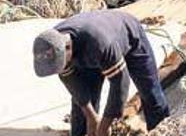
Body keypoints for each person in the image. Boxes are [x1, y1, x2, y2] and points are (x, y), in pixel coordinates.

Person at [33, 10, 170, 136]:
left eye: (62, 64)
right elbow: (73, 84)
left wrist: (105, 124)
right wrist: (91, 116)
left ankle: (163, 132)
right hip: (88, 53)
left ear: (68, 48)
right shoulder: (52, 43)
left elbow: (120, 83)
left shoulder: (99, 43)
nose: (61, 68)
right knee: (82, 112)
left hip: (129, 36)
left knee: (151, 93)